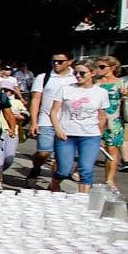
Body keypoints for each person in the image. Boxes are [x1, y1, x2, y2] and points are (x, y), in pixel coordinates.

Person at [45, 60, 108, 194]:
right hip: (67, 134)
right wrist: (57, 129)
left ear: (92, 73)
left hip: (90, 136)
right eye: (76, 72)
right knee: (64, 169)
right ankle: (54, 184)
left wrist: (99, 135)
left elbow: (102, 116)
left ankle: (82, 200)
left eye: (82, 73)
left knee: (86, 169)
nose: (78, 75)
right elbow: (54, 111)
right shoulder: (66, 89)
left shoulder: (101, 92)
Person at [27, 52, 75, 186]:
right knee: (43, 153)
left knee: (60, 156)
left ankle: (54, 185)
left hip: (67, 122)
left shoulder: (76, 78)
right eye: (54, 61)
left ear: (69, 61)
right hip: (46, 119)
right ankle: (36, 168)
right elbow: (36, 99)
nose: (56, 64)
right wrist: (33, 121)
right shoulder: (44, 77)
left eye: (60, 61)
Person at [92, 56, 127, 189]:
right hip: (95, 120)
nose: (99, 69)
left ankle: (110, 180)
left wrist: (126, 94)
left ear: (112, 68)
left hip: (113, 120)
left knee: (111, 150)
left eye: (102, 67)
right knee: (91, 147)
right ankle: (79, 171)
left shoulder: (121, 83)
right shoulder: (95, 83)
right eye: (97, 66)